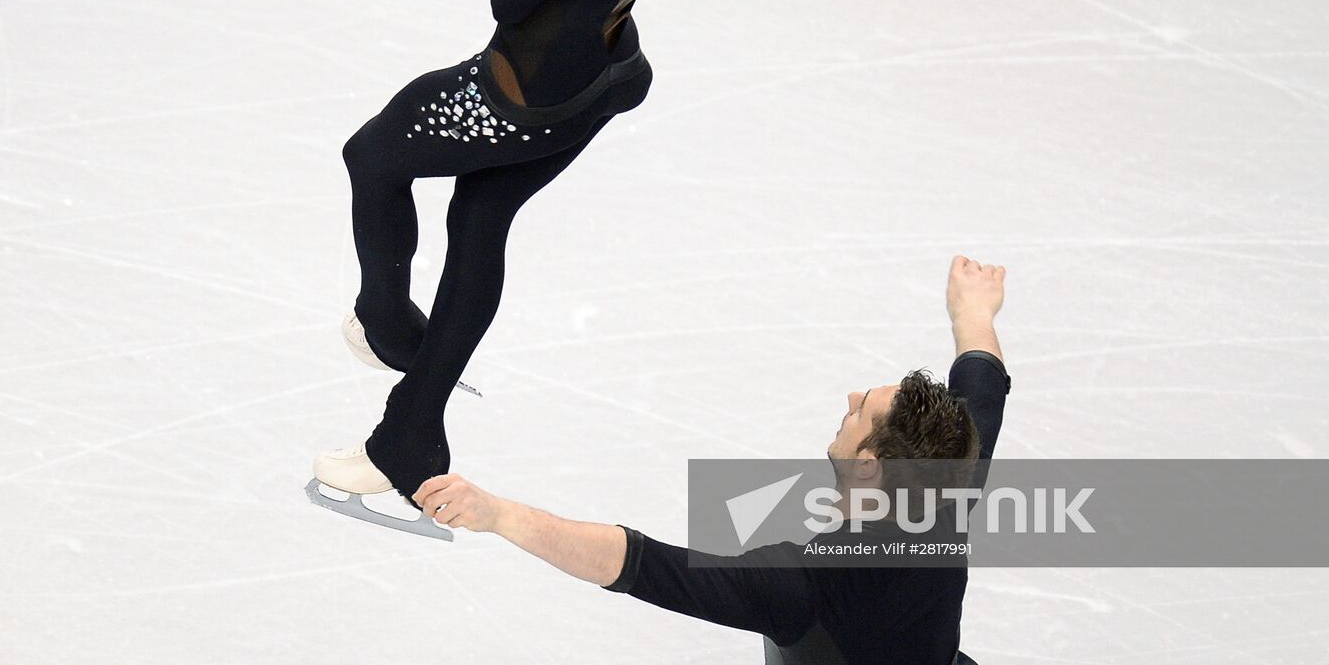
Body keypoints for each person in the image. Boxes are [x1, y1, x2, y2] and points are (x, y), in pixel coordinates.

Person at [311, 0, 720, 521]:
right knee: (480, 214)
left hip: (519, 98)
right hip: (602, 74)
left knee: (373, 155)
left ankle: (393, 327)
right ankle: (412, 433)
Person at [412, 256, 1012, 663]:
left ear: (868, 465)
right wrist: (974, 315)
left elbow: (638, 563)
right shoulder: (943, 488)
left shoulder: (804, 586)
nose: (852, 398)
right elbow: (981, 391)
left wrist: (497, 514)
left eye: (864, 412)